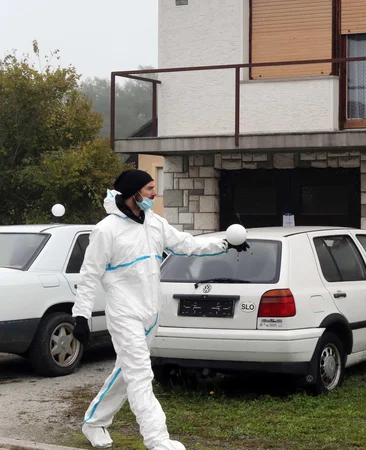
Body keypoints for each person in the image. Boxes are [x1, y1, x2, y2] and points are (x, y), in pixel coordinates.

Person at [71, 169, 249, 450]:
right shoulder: (106, 230)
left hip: (151, 313)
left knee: (126, 371)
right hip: (124, 314)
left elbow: (186, 244)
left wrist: (224, 244)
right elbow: (89, 275)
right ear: (133, 193)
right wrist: (80, 315)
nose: (155, 194)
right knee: (140, 375)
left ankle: (94, 423)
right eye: (150, 188)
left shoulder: (154, 223)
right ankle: (158, 440)